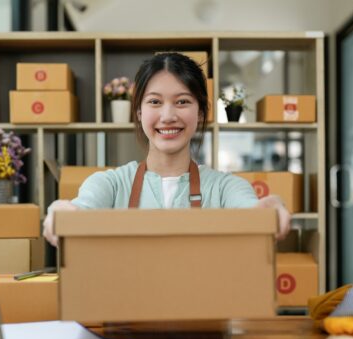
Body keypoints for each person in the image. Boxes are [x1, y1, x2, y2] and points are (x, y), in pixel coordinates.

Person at [43, 52, 290, 247]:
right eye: (155, 102)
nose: (168, 115)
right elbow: (78, 211)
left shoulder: (226, 188)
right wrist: (58, 212)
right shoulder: (110, 185)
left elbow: (251, 211)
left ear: (200, 112)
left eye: (182, 101)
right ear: (139, 113)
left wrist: (270, 209)